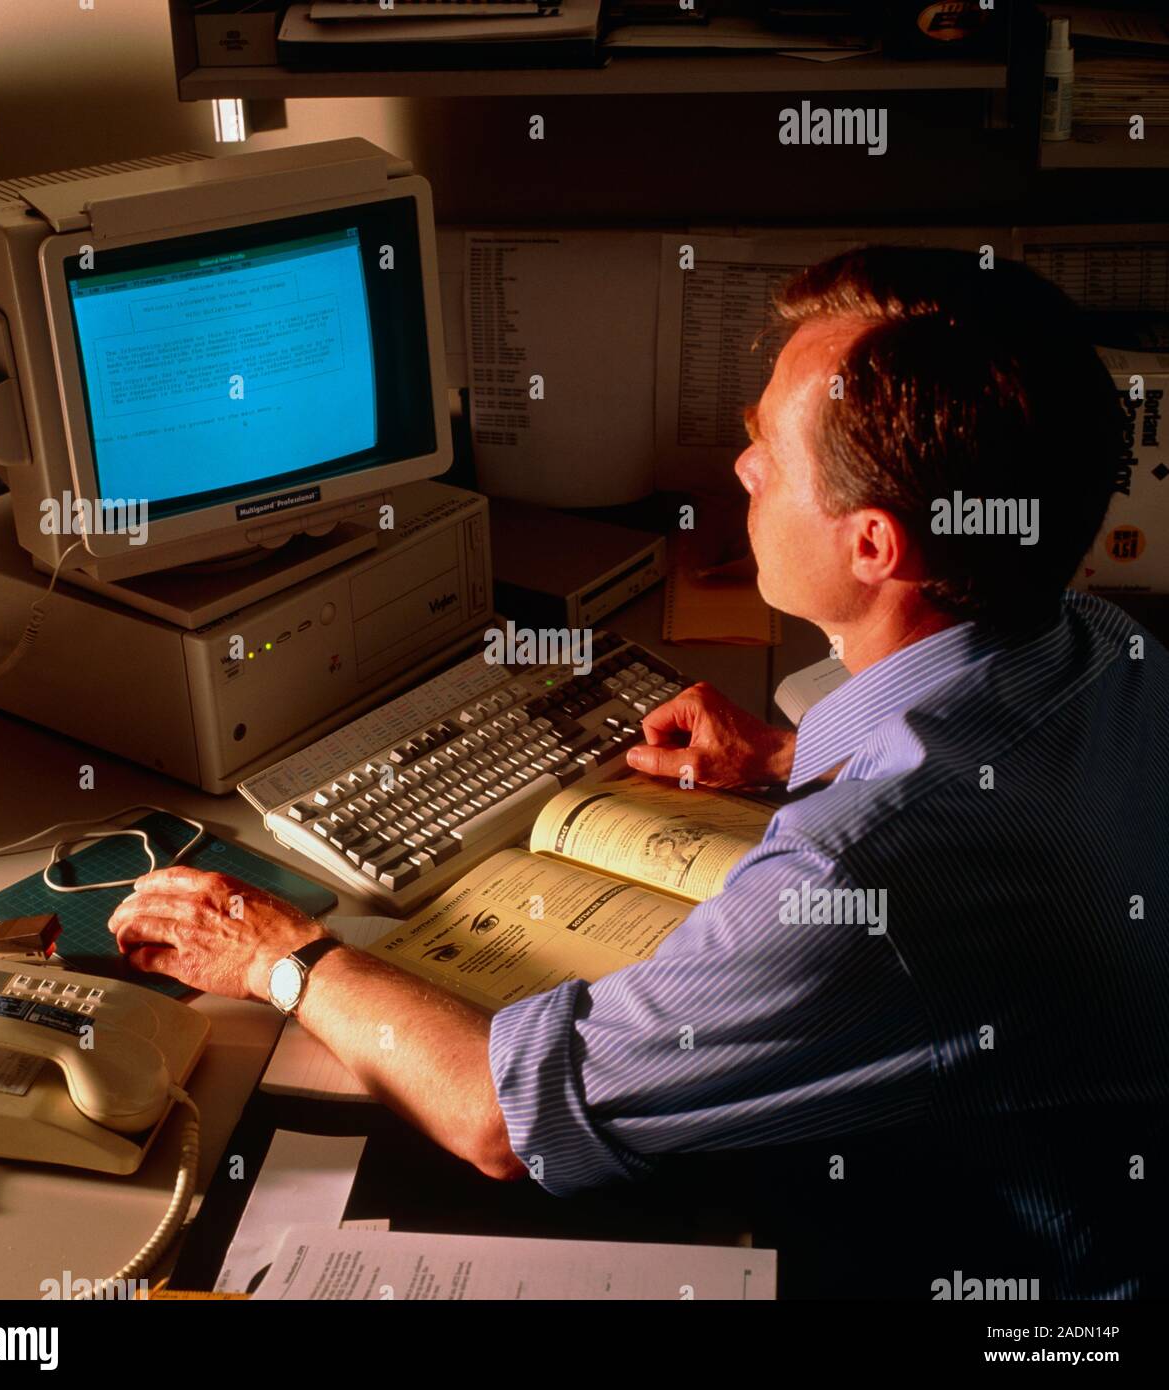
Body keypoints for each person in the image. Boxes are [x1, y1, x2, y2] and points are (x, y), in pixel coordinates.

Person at [109, 247, 1168, 1298]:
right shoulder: (1102, 643)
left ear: (874, 547)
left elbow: (501, 1116)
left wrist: (278, 957)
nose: (741, 469)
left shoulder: (857, 876)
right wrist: (794, 753)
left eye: (765, 451)